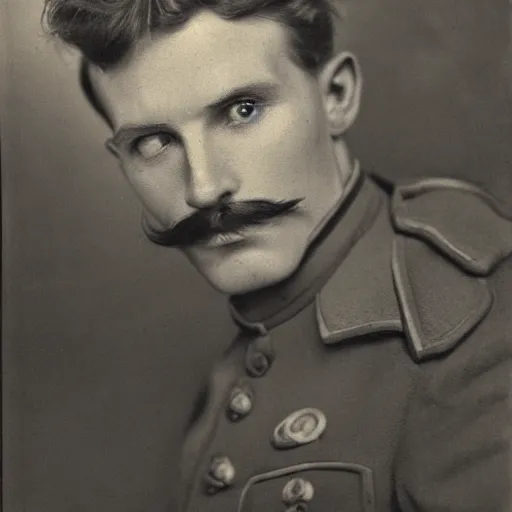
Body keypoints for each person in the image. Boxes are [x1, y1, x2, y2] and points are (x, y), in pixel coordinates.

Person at [42, 1, 512, 510]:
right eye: (154, 142)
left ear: (336, 95)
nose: (203, 188)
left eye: (242, 110)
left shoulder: (473, 335)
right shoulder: (245, 354)